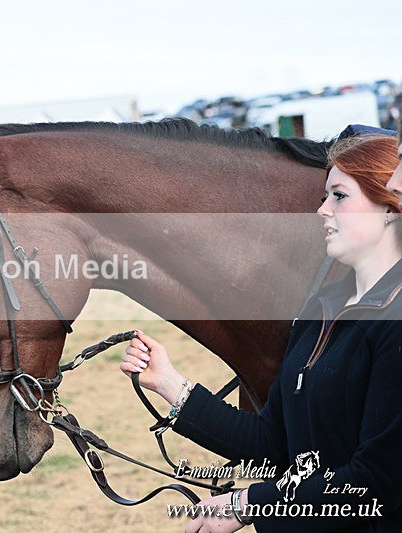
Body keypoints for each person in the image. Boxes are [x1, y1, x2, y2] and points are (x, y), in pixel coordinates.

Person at [121, 135, 402, 531]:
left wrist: (247, 503)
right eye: (324, 196)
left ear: (391, 208)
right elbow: (273, 441)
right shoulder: (319, 309)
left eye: (339, 196)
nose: (322, 210)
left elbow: (375, 482)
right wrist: (172, 386)